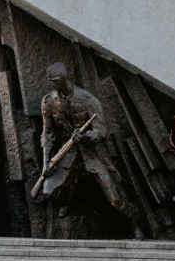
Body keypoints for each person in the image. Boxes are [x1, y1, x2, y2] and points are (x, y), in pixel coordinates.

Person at [34, 63, 136, 236]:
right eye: (51, 81)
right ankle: (68, 196)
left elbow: (101, 131)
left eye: (55, 81)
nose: (52, 84)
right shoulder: (48, 102)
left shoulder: (88, 100)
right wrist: (46, 163)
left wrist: (86, 136)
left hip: (91, 154)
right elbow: (48, 134)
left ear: (65, 79)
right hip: (67, 155)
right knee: (48, 190)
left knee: (114, 197)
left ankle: (136, 226)